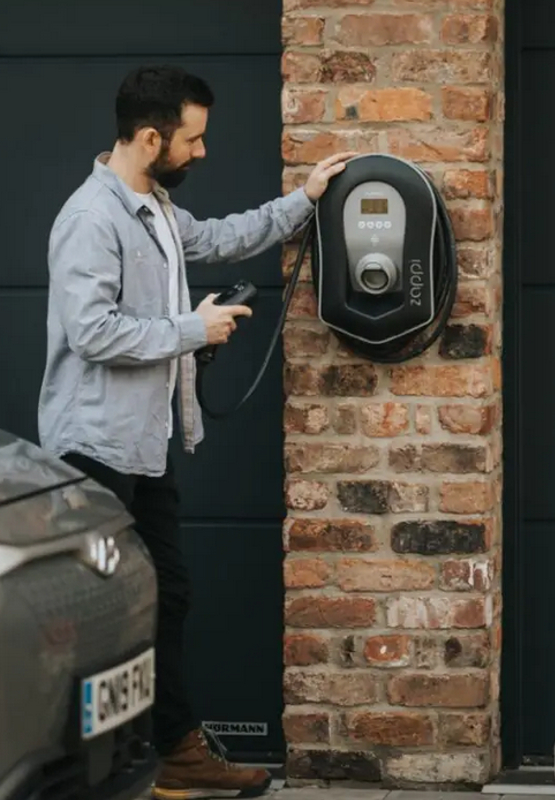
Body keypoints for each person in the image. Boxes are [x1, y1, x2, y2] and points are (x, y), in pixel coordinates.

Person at [37, 64, 354, 799]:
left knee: (166, 597)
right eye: (193, 138)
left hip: (142, 445)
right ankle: (73, 767)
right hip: (92, 451)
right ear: (151, 138)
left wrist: (304, 200)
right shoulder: (90, 219)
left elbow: (218, 237)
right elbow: (91, 331)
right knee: (94, 617)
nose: (203, 151)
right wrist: (191, 329)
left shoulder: (155, 209)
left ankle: (175, 752)